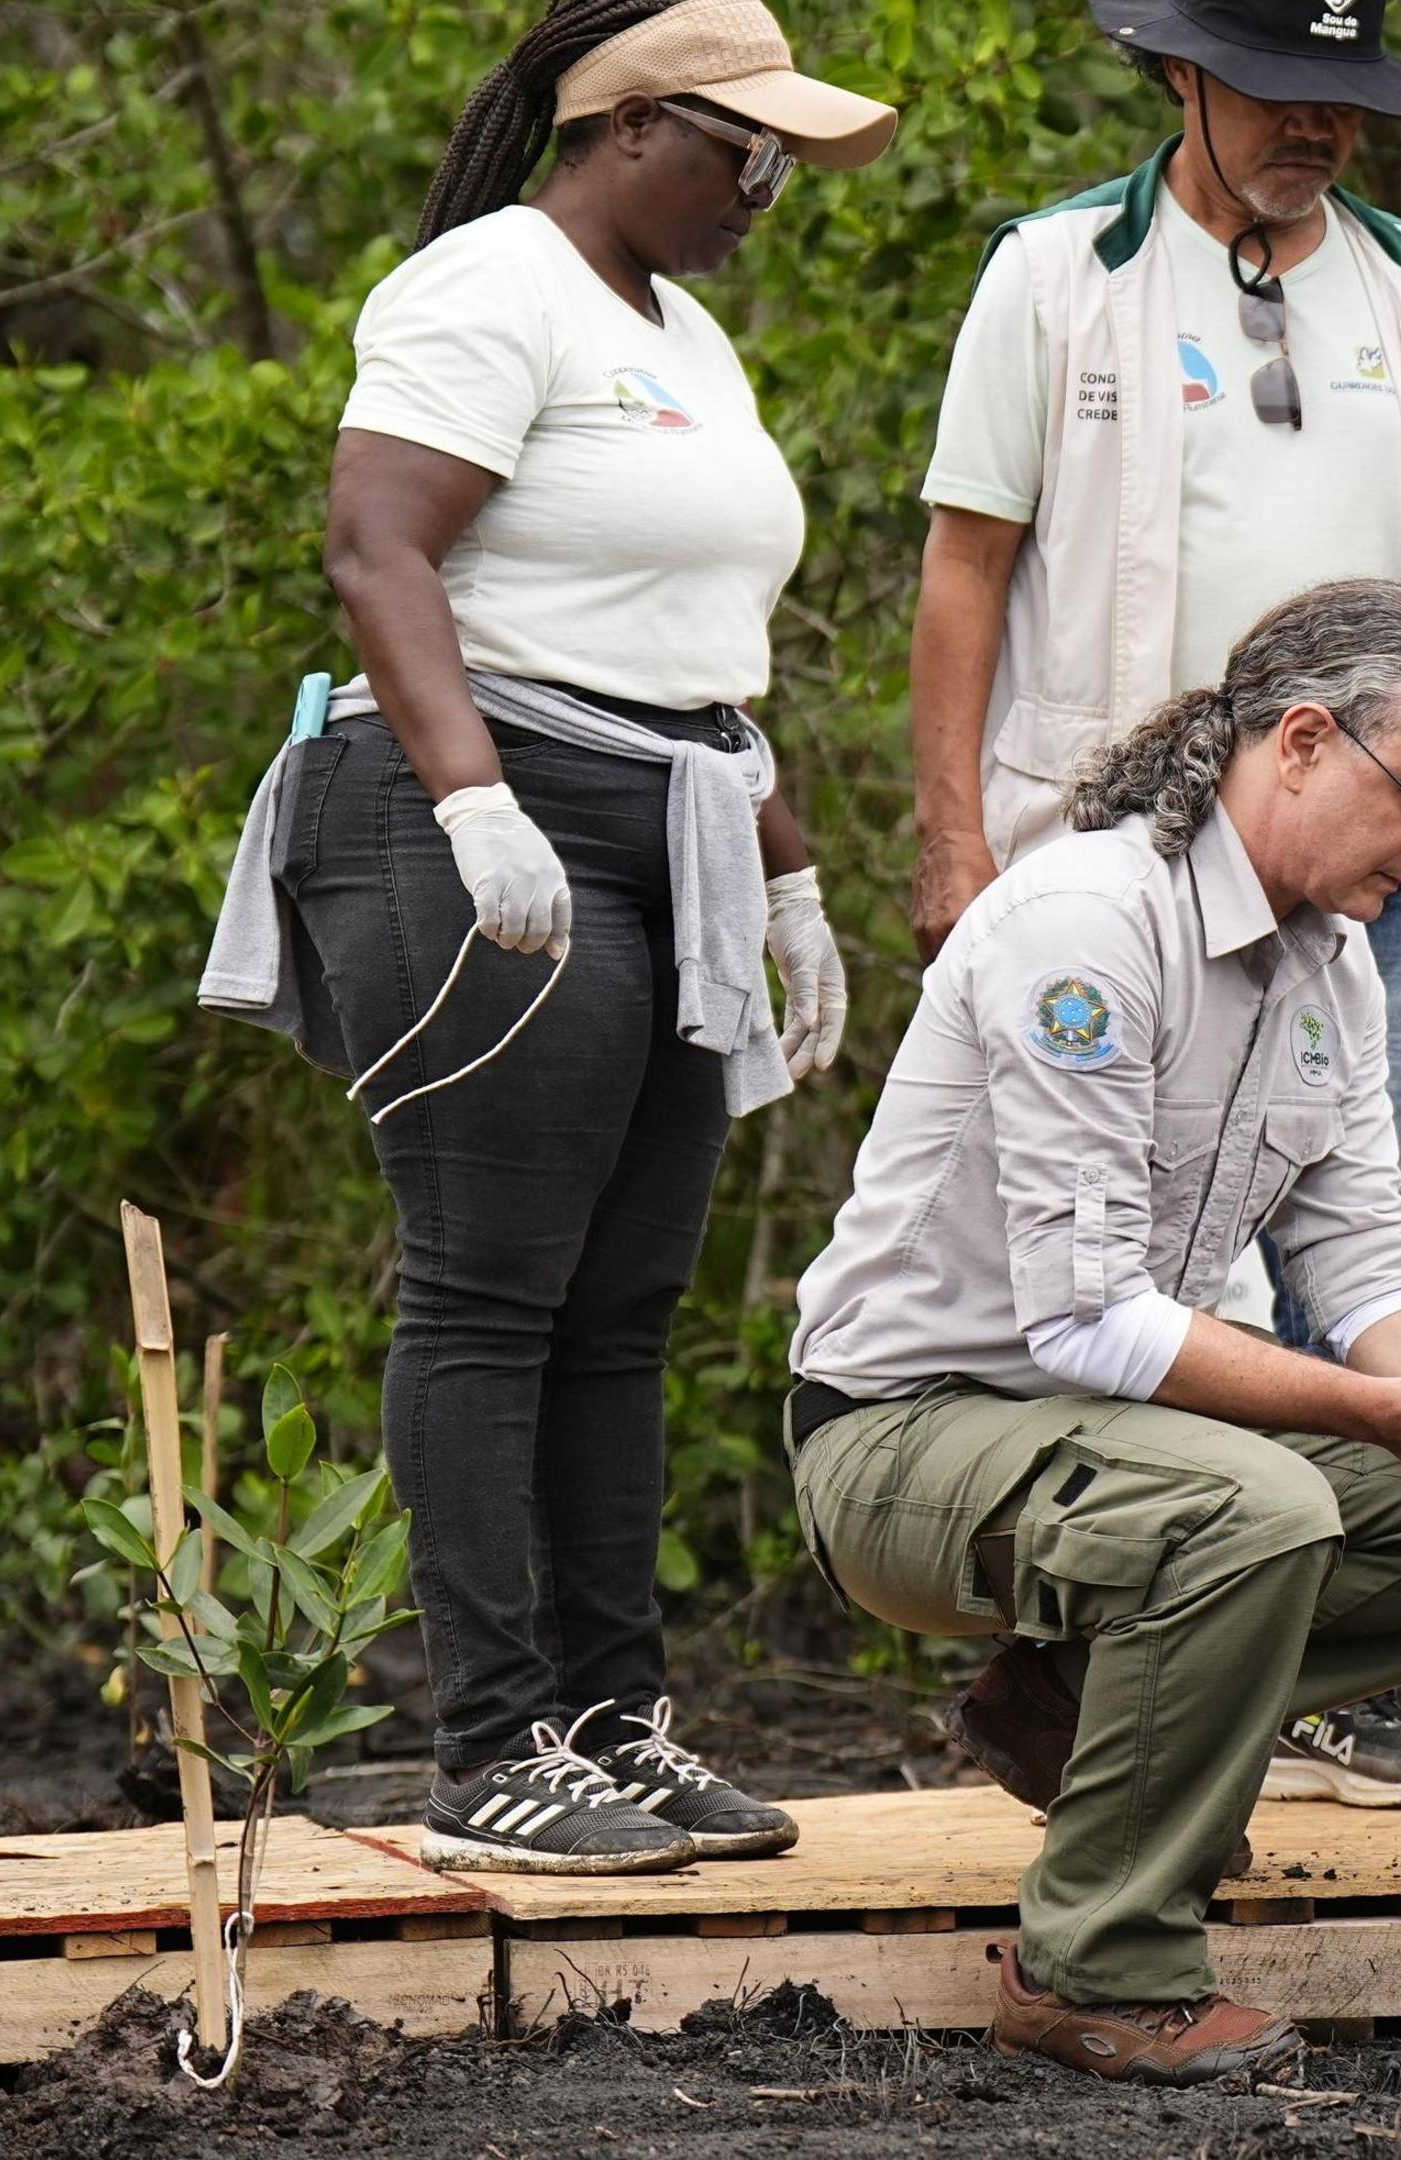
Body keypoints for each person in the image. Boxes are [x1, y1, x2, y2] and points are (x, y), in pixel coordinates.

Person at [200, 0, 893, 1874]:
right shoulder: (483, 290)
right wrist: (467, 797)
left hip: (671, 821)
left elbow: (691, 657)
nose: (769, 191)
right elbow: (377, 545)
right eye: (748, 153)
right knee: (492, 1286)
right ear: (634, 125)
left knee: (626, 1303)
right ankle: (487, 1745)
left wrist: (794, 870)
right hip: (480, 812)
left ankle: (610, 1723)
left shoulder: (687, 335)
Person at [783, 579, 1401, 2084]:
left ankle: (1063, 1702)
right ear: (1302, 741)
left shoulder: (1329, 967)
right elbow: (1088, 1323)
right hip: (900, 1438)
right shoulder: (1086, 926)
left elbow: (1366, 1252)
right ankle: (1097, 1971)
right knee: (1260, 1505)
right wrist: (1379, 1416)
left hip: (1099, 1444)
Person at [909, 0, 1401, 1805]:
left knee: (1368, 1238)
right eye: (1286, 91)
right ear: (1184, 74)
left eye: (1353, 100)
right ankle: (1086, 1659)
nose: (1322, 129)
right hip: (1120, 860)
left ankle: (1340, 1676)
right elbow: (967, 560)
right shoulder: (1056, 277)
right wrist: (954, 837)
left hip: (1381, 862)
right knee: (1104, 1266)